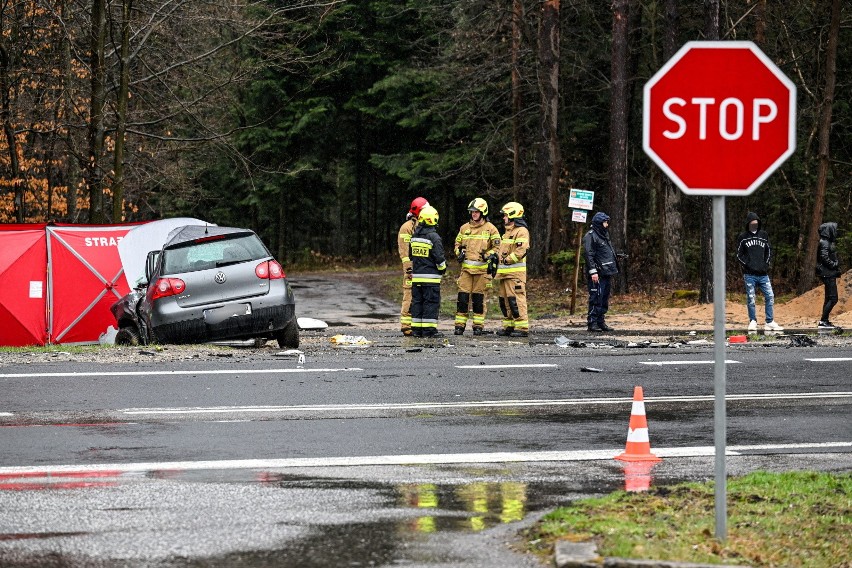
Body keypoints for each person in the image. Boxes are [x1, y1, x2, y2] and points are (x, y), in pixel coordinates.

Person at [453, 198, 501, 336]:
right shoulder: (464, 228)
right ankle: (459, 326)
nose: (473, 214)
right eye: (472, 212)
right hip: (466, 271)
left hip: (482, 271)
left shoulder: (491, 229)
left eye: (476, 212)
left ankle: (478, 326)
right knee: (462, 299)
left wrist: (489, 255)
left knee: (478, 300)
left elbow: (498, 247)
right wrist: (459, 253)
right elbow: (457, 244)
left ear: (483, 212)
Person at [736, 212, 783, 333]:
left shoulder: (764, 235)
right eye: (752, 222)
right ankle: (753, 321)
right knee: (751, 298)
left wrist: (766, 264)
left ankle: (769, 321)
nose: (754, 224)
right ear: (748, 223)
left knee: (770, 296)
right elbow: (739, 254)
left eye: (756, 222)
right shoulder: (743, 237)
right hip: (749, 274)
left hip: (763, 274)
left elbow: (769, 251)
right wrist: (747, 264)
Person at [410, 205, 447, 338]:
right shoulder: (434, 237)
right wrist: (443, 269)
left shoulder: (414, 236)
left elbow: (410, 256)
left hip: (417, 278)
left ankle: (416, 330)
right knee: (430, 303)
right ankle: (429, 331)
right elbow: (439, 258)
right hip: (430, 279)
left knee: (417, 303)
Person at [494, 202, 530, 337]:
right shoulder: (508, 232)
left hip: (514, 274)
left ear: (513, 215)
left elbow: (521, 250)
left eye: (505, 215)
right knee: (505, 301)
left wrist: (508, 260)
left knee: (516, 300)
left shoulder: (521, 231)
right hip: (504, 274)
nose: (504, 218)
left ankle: (522, 328)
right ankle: (508, 325)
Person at [582, 212, 619, 332]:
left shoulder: (603, 235)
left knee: (604, 298)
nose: (607, 225)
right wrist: (593, 272)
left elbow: (604, 252)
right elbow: (589, 255)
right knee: (596, 297)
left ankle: (601, 321)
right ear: (599, 223)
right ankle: (592, 322)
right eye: (605, 222)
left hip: (606, 272)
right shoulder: (590, 236)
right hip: (597, 273)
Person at [398, 197, 429, 336]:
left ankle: (417, 324)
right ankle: (406, 325)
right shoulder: (407, 228)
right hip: (412, 269)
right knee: (409, 296)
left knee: (421, 297)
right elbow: (405, 253)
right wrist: (409, 269)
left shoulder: (424, 225)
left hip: (423, 268)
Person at [816, 221, 841, 329]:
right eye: (834, 229)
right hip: (828, 273)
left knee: (829, 298)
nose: (835, 232)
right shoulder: (824, 242)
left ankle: (824, 321)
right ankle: (823, 321)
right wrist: (834, 264)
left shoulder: (826, 241)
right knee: (833, 298)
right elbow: (824, 257)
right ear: (829, 230)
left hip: (828, 273)